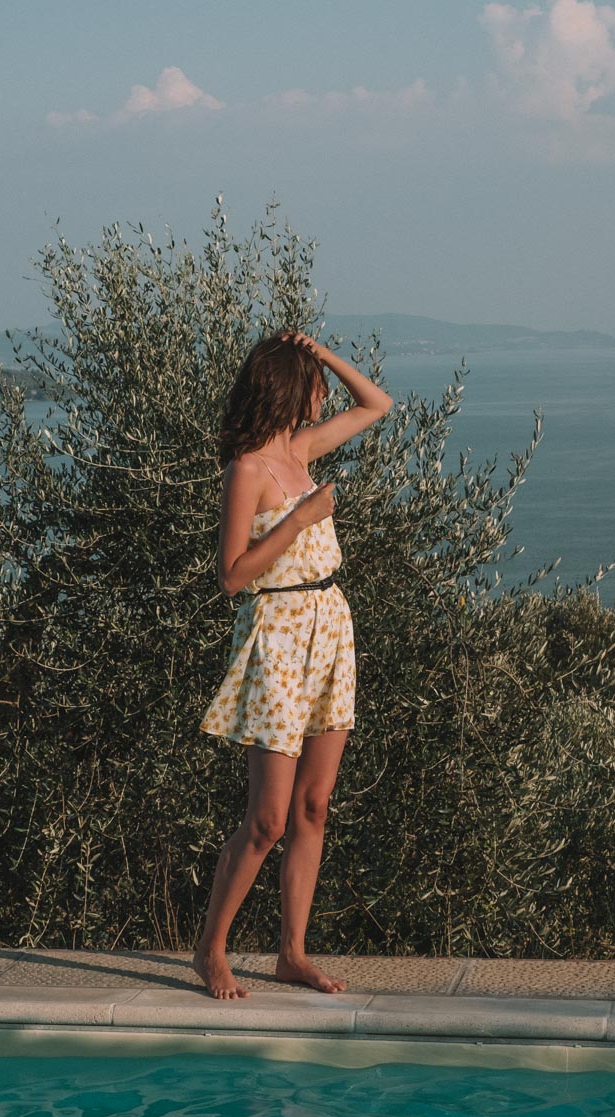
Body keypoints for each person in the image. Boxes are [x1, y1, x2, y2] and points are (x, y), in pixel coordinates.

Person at [192, 329, 393, 1000]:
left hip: (331, 631)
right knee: (268, 818)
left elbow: (377, 404)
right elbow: (230, 576)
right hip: (277, 638)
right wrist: (301, 520)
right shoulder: (247, 468)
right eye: (314, 381)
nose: (325, 393)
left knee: (314, 805)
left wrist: (324, 349)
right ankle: (212, 949)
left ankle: (291, 953)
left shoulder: (302, 450)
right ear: (286, 386)